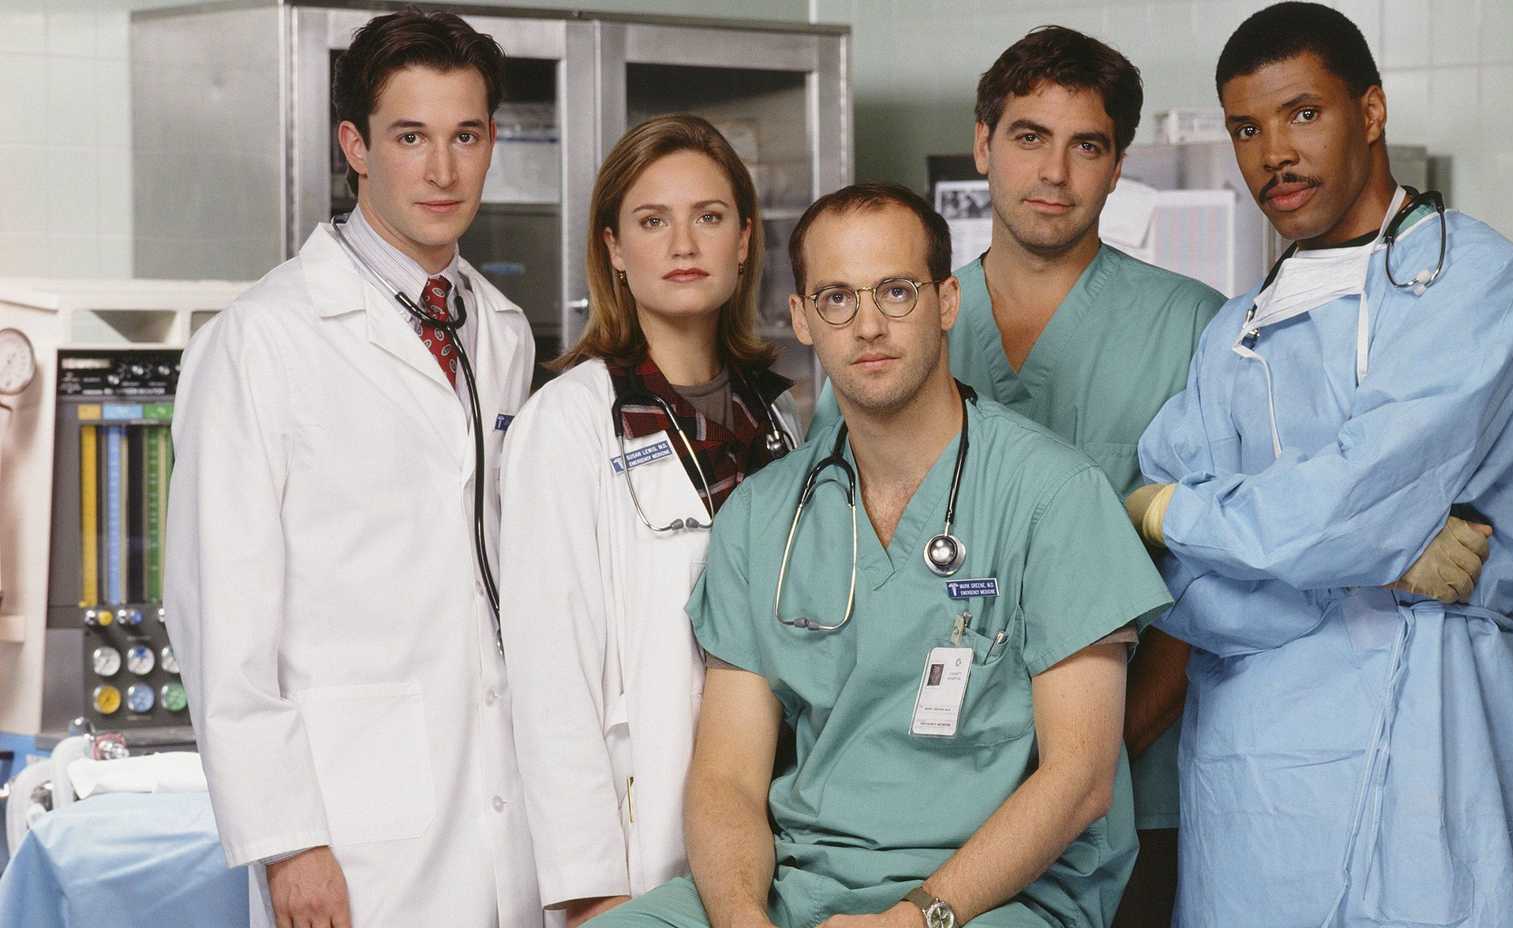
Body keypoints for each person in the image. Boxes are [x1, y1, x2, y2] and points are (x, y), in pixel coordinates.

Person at [589, 183, 1170, 928]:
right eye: (836, 298)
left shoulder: (1053, 496)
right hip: (801, 885)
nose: (868, 325)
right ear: (802, 318)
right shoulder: (764, 516)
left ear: (947, 301)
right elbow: (727, 777)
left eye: (896, 292)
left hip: (994, 898)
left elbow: (1081, 779)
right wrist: (741, 918)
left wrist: (915, 917)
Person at [1127, 3, 1513, 925]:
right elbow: (1182, 591)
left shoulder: (1474, 284)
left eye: (1303, 114)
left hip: (1439, 746)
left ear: (1370, 111)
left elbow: (1353, 500)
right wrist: (1372, 565)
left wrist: (1174, 512)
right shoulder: (1233, 337)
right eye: (1246, 129)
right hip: (1258, 790)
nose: (1273, 155)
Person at [809, 33, 1222, 919]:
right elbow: (837, 571)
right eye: (1030, 137)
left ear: (1118, 167)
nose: (1055, 173)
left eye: (1088, 145)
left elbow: (1214, 587)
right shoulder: (898, 319)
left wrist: (1085, 763)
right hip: (917, 811)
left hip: (1132, 793)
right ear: (982, 145)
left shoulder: (1193, 330)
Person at [165, 10, 540, 927]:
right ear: (356, 147)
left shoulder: (502, 332)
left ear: (492, 143)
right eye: (410, 137)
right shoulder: (261, 340)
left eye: (466, 136)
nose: (442, 170)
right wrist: (288, 841)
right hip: (347, 834)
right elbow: (219, 617)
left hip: (504, 810)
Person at [499, 114, 799, 926]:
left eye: (709, 216)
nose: (683, 244)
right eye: (653, 220)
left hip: (780, 831)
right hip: (639, 845)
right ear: (615, 250)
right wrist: (591, 890)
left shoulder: (779, 422)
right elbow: (549, 674)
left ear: (745, 240)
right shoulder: (569, 421)